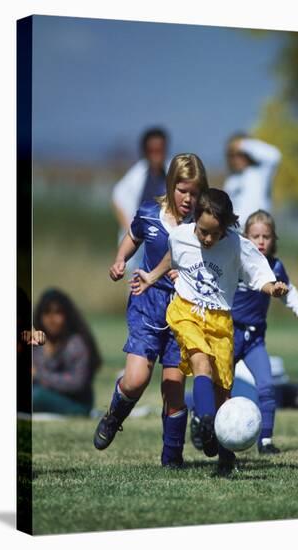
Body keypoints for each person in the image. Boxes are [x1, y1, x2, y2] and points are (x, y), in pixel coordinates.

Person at [131, 189, 288, 472]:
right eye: (203, 232)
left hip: (220, 320)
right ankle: (205, 422)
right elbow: (172, 255)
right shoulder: (181, 235)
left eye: (214, 234)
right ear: (194, 221)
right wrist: (151, 277)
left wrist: (272, 288)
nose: (207, 239)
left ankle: (226, 454)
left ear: (226, 227)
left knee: (223, 390)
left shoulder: (237, 246)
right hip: (187, 311)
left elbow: (258, 275)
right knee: (199, 360)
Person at [93, 153, 209, 468]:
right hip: (147, 301)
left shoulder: (202, 224)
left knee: (173, 389)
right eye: (183, 190)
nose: (189, 198)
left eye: (195, 192)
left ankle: (172, 458)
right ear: (171, 185)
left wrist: (189, 275)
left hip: (183, 312)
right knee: (135, 379)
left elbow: (209, 263)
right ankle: (113, 416)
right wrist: (120, 260)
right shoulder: (148, 213)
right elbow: (133, 237)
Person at [230, 210, 298, 454]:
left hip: (255, 339)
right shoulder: (237, 262)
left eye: (266, 236)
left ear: (274, 239)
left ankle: (265, 440)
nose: (261, 241)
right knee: (221, 387)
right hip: (229, 335)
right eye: (255, 236)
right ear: (246, 238)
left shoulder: (276, 266)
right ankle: (214, 433)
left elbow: (288, 290)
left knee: (266, 386)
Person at [32, 288, 102, 416]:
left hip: (77, 404)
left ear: (67, 315)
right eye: (47, 313)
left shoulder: (75, 344)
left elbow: (76, 383)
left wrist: (39, 375)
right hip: (44, 394)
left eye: (57, 313)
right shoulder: (37, 342)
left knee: (35, 396)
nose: (52, 319)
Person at [111, 127, 170, 277]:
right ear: (145, 151)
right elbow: (117, 197)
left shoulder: (172, 171)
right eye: (152, 150)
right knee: (137, 283)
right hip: (142, 241)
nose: (156, 155)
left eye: (160, 150)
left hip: (167, 240)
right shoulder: (137, 173)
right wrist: (130, 229)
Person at [223, 133, 281, 227]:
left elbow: (275, 156)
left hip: (257, 229)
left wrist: (244, 144)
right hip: (236, 232)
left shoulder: (260, 172)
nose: (236, 159)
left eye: (240, 154)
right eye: (232, 155)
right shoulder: (231, 181)